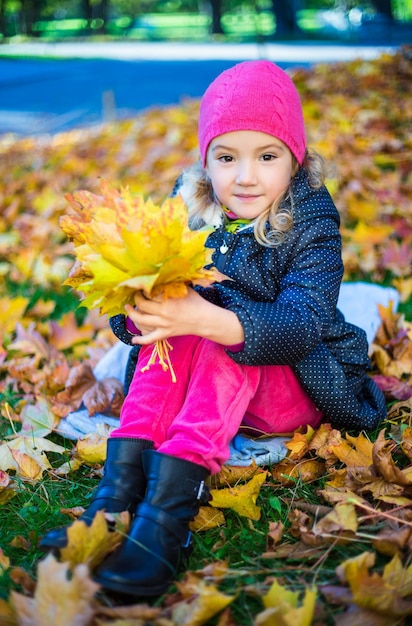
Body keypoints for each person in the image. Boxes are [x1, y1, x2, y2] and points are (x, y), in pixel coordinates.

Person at [40, 60, 386, 596]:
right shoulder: (188, 207)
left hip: (290, 380)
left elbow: (301, 324)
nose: (245, 177)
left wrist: (208, 317)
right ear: (206, 161)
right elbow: (127, 307)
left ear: (293, 159)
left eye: (266, 157)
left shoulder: (312, 218)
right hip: (191, 385)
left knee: (218, 315)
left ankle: (168, 515)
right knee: (179, 306)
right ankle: (114, 498)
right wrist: (142, 313)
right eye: (227, 157)